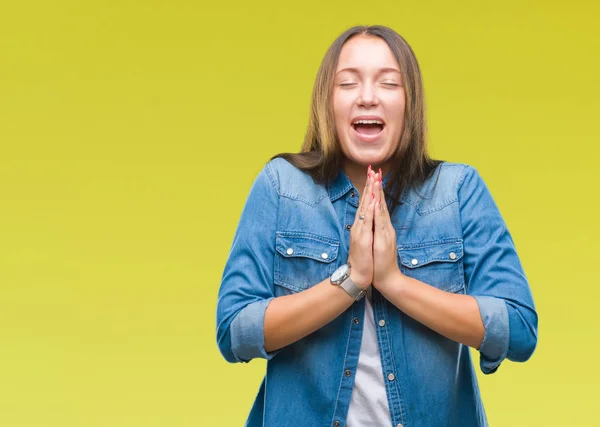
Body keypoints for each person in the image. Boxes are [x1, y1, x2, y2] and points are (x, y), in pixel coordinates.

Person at [215, 25, 538, 427]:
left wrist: (393, 282)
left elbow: (519, 329)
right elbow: (234, 332)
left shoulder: (457, 191)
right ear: (327, 103)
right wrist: (351, 281)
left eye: (388, 83)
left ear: (410, 103)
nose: (367, 97)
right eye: (348, 83)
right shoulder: (282, 187)